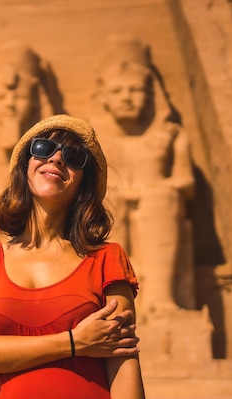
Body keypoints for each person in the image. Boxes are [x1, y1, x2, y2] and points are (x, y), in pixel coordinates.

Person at [0, 114, 145, 399]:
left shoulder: (105, 258)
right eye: (43, 148)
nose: (56, 158)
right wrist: (74, 342)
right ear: (24, 166)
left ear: (84, 181)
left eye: (73, 157)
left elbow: (123, 364)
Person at [90, 35, 195, 313]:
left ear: (150, 93)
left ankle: (161, 297)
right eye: (117, 91)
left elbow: (186, 182)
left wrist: (155, 187)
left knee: (162, 198)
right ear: (102, 96)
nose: (126, 98)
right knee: (109, 201)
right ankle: (111, 298)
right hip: (113, 204)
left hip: (156, 203)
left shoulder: (169, 133)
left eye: (135, 90)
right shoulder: (93, 139)